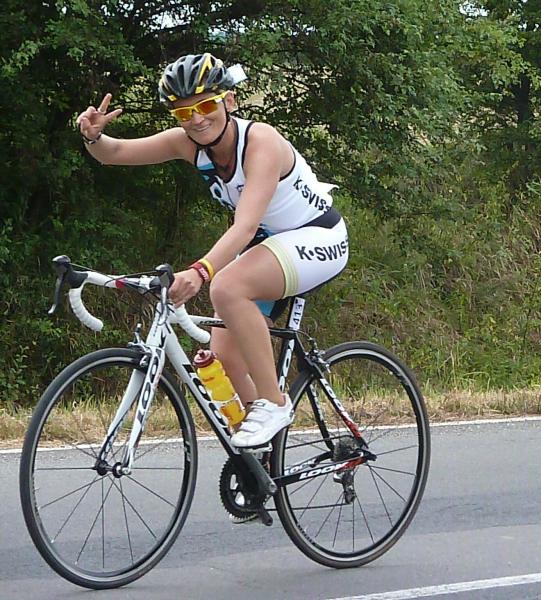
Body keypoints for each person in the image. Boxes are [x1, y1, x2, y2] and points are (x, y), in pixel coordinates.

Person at [76, 53, 349, 448]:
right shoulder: (188, 143)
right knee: (223, 360)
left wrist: (201, 271)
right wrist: (93, 137)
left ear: (229, 101)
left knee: (226, 286)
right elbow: (115, 154)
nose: (196, 119)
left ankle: (274, 403)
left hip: (318, 236)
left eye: (205, 106)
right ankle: (264, 456)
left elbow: (245, 226)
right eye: (184, 113)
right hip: (269, 244)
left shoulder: (261, 141)